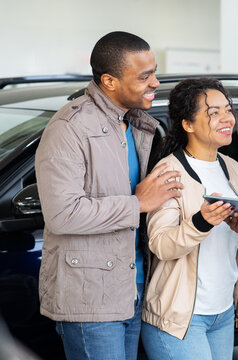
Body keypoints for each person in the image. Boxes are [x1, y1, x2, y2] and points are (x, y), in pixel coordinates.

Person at [35, 31, 183, 360]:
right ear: (109, 81)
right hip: (90, 297)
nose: (156, 82)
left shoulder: (140, 125)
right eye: (144, 76)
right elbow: (62, 215)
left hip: (135, 286)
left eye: (154, 72)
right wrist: (138, 203)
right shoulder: (69, 127)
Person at [140, 78, 238, 360]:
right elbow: (160, 245)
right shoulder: (168, 171)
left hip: (222, 313)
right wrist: (201, 222)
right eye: (213, 112)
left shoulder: (231, 167)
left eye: (227, 109)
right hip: (180, 320)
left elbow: (237, 242)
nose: (226, 118)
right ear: (187, 124)